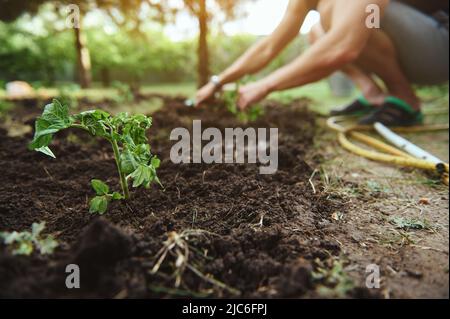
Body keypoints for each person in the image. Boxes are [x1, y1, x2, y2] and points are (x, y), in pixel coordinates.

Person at [195, 0, 449, 126]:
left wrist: (264, 86)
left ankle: (405, 98)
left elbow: (342, 49)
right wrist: (217, 81)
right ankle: (373, 95)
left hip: (439, 48)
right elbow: (269, 46)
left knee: (333, 13)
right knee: (317, 31)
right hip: (417, 51)